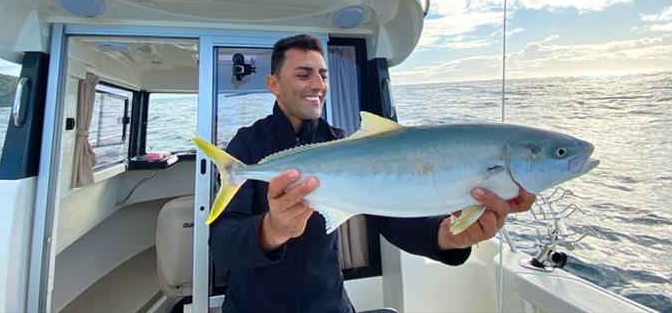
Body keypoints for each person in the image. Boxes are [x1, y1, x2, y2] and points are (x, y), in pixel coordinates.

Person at [209, 35, 535, 313]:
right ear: (274, 84)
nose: (318, 85)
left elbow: (388, 214)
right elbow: (222, 245)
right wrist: (272, 229)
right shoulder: (247, 144)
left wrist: (445, 237)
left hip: (327, 304)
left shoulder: (340, 142)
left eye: (323, 74)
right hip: (254, 305)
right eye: (303, 74)